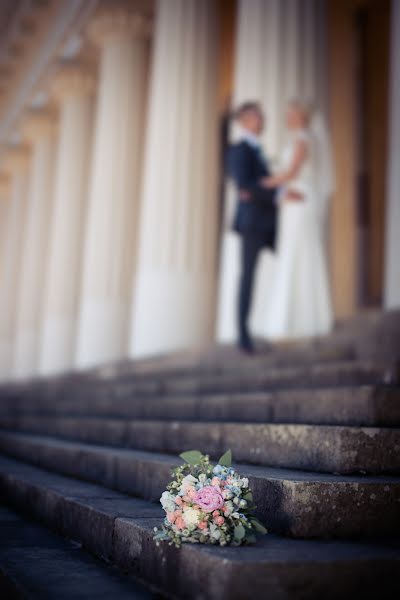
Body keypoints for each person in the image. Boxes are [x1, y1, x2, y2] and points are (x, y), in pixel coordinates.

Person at [226, 102, 298, 354]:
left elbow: (257, 186)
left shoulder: (258, 150)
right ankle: (243, 334)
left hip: (270, 221)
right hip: (252, 223)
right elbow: (245, 186)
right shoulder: (238, 149)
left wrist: (276, 191)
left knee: (291, 262)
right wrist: (277, 194)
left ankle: (290, 319)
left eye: (261, 116)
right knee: (247, 276)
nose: (261, 120)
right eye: (257, 117)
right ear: (244, 121)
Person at [261, 99, 334, 339]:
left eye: (291, 113)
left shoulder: (303, 139)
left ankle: (301, 318)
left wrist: (266, 184)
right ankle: (295, 317)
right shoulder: (299, 139)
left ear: (302, 115)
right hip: (294, 198)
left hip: (301, 198)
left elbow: (292, 172)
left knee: (299, 253)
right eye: (287, 113)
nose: (287, 117)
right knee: (294, 252)